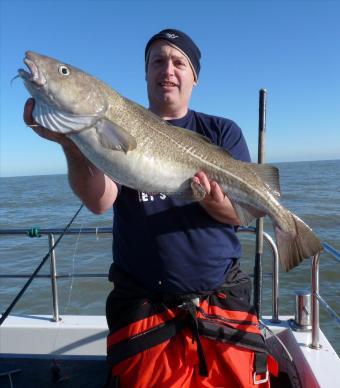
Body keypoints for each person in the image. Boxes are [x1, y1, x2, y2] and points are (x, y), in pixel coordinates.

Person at [24, 29, 276, 387]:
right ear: (145, 73)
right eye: (157, 61)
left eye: (178, 62)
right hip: (144, 307)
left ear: (194, 76)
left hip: (221, 302)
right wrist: (69, 141)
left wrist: (210, 197)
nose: (167, 70)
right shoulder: (112, 122)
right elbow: (99, 201)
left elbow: (240, 215)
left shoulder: (222, 131)